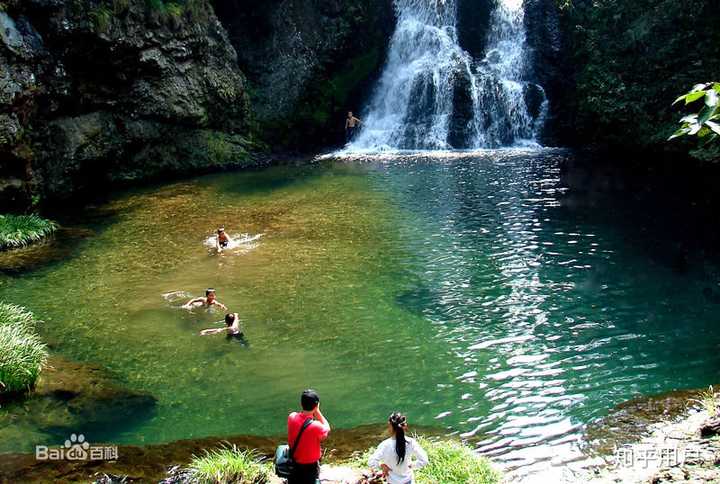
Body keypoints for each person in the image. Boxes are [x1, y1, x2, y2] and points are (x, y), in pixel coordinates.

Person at [368, 412, 428, 484]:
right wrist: (412, 465)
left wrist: (381, 465)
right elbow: (424, 460)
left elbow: (371, 462)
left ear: (391, 427)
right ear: (404, 426)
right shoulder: (410, 442)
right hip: (409, 481)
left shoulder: (385, 445)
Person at [287, 389, 331, 484]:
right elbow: (327, 428)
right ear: (316, 405)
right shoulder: (316, 426)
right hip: (310, 467)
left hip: (294, 462)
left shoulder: (291, 417)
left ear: (301, 404)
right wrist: (317, 412)